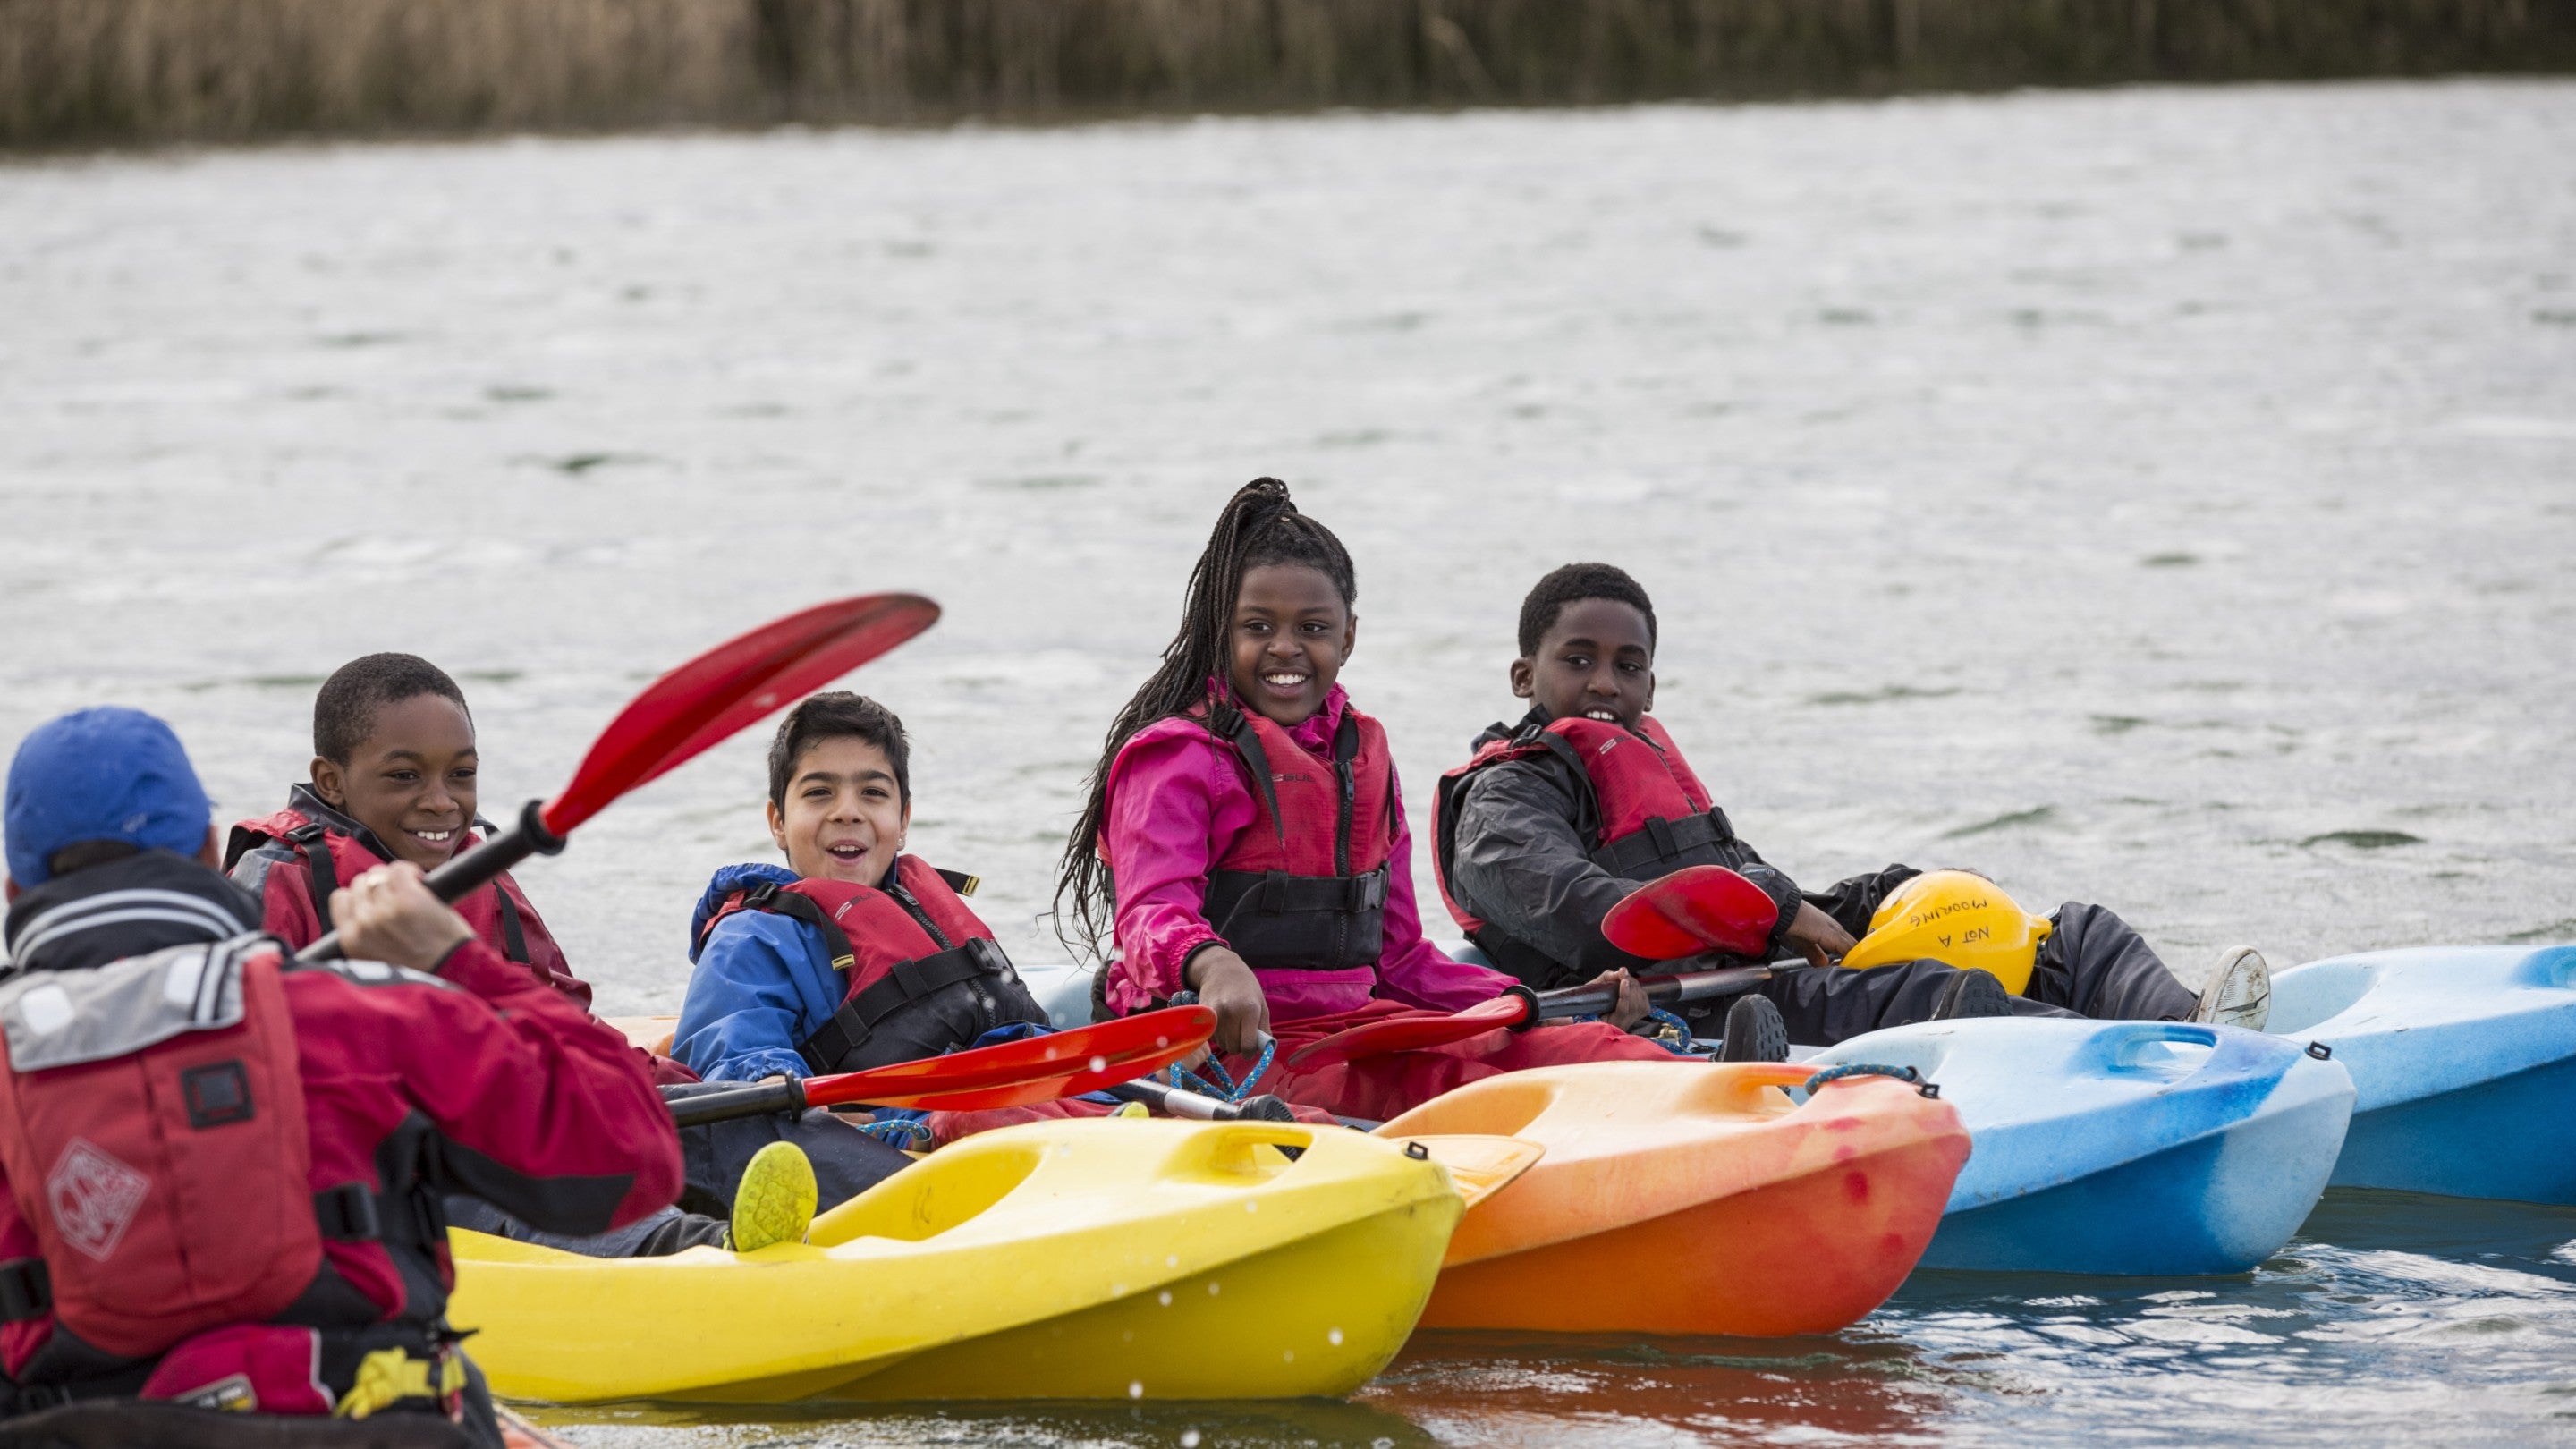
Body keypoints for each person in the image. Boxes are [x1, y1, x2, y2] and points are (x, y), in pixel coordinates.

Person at [0, 707, 681, 1441]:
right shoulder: (362, 1015)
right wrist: (456, 960)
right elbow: (631, 1156)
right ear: (204, 850)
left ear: (14, 889)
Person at [1056, 479, 1699, 1126]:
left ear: (1349, 636)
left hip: (1356, 1028)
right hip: (1224, 1051)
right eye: (1258, 627)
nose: (1285, 647)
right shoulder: (1176, 758)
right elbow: (1148, 916)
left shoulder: (1360, 755)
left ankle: (1714, 1107)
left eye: (1312, 628)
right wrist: (1213, 963)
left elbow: (1401, 960)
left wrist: (1546, 1001)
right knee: (1455, 1096)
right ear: (1221, 632)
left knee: (1599, 1052)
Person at [1433, 562, 2273, 1046]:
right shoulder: (1509, 791)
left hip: (1738, 955)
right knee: (1927, 991)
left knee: (2068, 930)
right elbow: (1586, 912)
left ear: (1653, 679)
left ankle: (2193, 1032)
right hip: (1670, 1000)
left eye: (1629, 664)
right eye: (1579, 661)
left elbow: (1737, 874)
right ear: (1525, 676)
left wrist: (1853, 900)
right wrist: (1776, 912)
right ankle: (2122, 1059)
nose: (1605, 684)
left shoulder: (1644, 758)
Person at [224, 655, 909, 1225]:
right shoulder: (283, 878)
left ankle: (922, 1206)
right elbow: (235, 1064)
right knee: (584, 1211)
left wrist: (684, 1094)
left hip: (527, 1120)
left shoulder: (478, 873)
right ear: (332, 782)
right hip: (406, 1167)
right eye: (404, 776)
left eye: (460, 774)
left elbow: (566, 1026)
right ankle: (710, 1253)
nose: (441, 801)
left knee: (733, 1123)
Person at [673, 692, 1068, 1144]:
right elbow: (735, 1050)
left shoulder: (923, 908)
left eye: (873, 794)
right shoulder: (752, 937)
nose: (847, 812)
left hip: (1015, 1101)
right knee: (984, 1121)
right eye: (819, 793)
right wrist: (779, 1093)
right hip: (892, 1136)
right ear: (778, 821)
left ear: (903, 821)